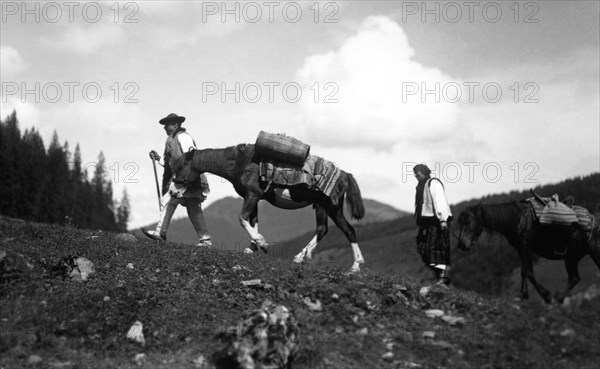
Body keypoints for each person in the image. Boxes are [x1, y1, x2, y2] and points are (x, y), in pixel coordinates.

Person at [142, 113, 212, 247]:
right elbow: (173, 162)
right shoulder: (173, 140)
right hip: (184, 178)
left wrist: (189, 178)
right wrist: (158, 158)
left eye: (167, 125)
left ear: (175, 125)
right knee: (193, 208)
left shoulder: (183, 137)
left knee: (169, 200)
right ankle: (205, 240)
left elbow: (191, 156)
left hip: (188, 178)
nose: (165, 128)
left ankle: (160, 232)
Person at [413, 163, 453, 285]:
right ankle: (437, 277)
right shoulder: (421, 185)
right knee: (423, 248)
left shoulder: (433, 183)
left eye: (417, 174)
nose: (416, 176)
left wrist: (442, 220)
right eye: (415, 174)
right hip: (426, 222)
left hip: (437, 221)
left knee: (435, 248)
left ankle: (442, 277)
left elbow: (439, 201)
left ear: (424, 172)